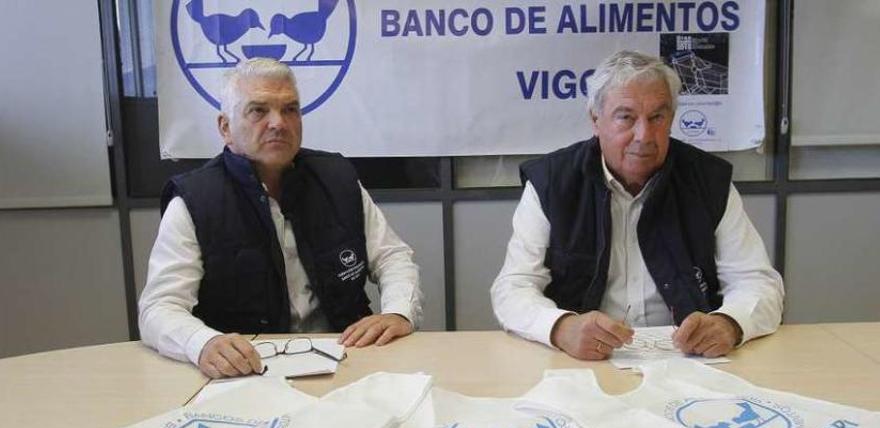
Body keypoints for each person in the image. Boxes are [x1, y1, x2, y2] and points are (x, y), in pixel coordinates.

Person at [491, 50, 784, 361]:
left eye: (657, 117)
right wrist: (561, 327)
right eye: (626, 117)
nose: (644, 136)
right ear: (595, 120)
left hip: (687, 359)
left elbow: (757, 283)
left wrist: (729, 323)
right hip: (582, 360)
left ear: (671, 118)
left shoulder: (707, 180)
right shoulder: (553, 182)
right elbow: (513, 287)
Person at [139, 58, 422, 378]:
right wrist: (202, 343)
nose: (278, 123)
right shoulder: (195, 200)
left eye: (290, 109)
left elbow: (393, 257)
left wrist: (398, 311)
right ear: (225, 127)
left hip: (347, 360)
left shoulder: (337, 178)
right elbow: (159, 308)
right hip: (247, 372)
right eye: (258, 111)